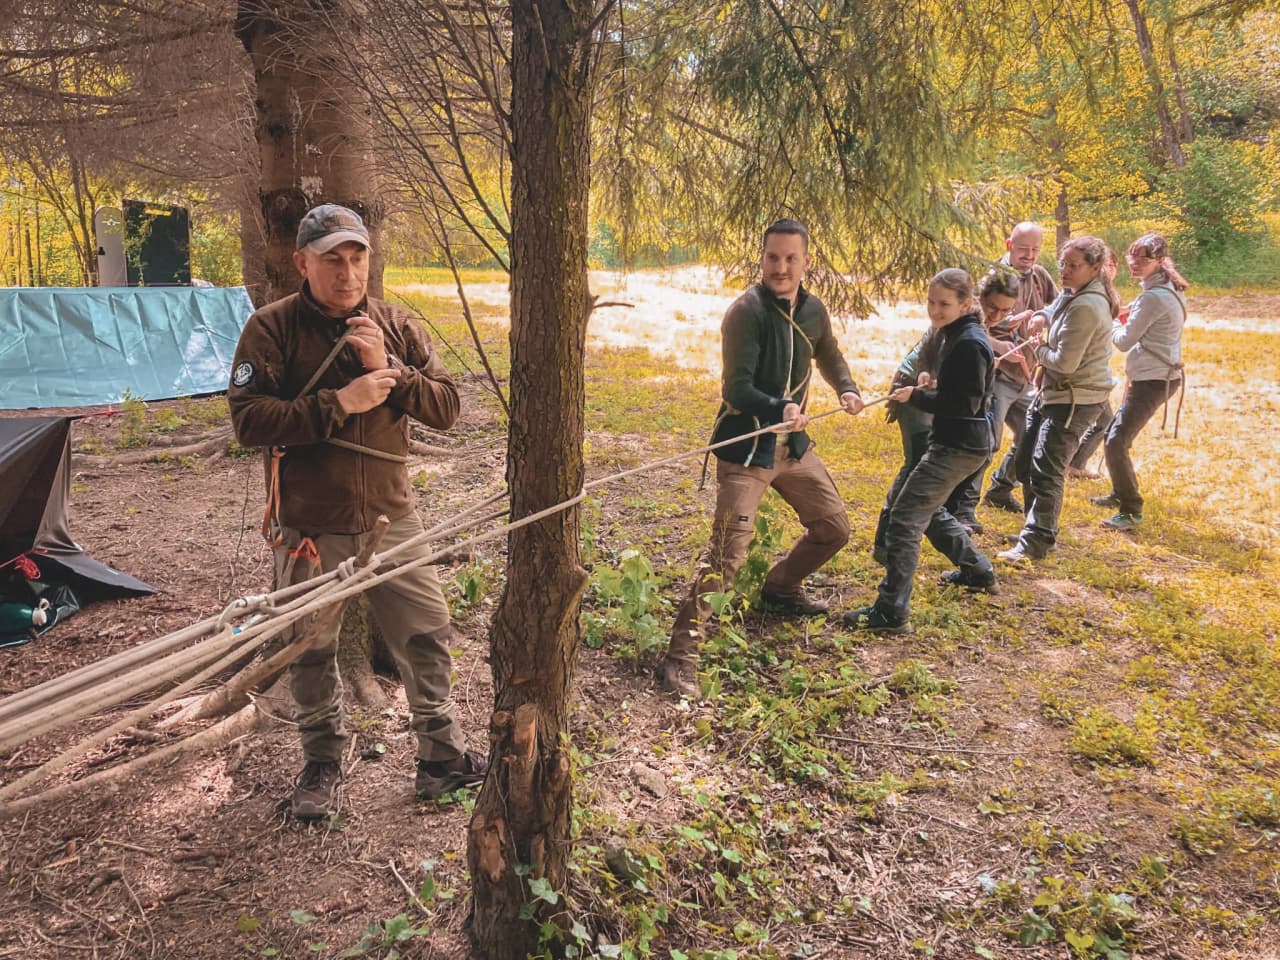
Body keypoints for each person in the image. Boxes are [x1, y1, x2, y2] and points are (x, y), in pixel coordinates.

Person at [228, 204, 485, 819]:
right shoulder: (271, 329)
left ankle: (441, 758)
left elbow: (448, 409)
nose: (347, 274)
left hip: (393, 518)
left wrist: (388, 373)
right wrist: (337, 402)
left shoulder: (395, 324)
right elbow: (247, 421)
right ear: (302, 263)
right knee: (311, 649)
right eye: (332, 260)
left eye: (357, 257)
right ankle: (321, 764)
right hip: (310, 526)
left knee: (426, 633)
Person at [659, 219, 865, 698]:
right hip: (746, 448)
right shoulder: (745, 313)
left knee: (834, 529)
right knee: (726, 557)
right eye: (773, 257)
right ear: (763, 258)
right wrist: (781, 408)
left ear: (806, 261)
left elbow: (828, 353)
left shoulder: (813, 309)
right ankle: (678, 659)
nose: (781, 266)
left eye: (791, 258)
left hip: (792, 449)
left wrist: (848, 388)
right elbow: (736, 387)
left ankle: (780, 589)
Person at [844, 269, 997, 633]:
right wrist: (932, 382)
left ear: (965, 303)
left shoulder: (970, 342)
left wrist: (919, 395)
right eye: (931, 302)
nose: (935, 310)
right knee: (922, 509)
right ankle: (977, 570)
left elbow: (966, 404)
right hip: (953, 442)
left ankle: (891, 610)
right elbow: (957, 387)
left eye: (944, 304)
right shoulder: (953, 334)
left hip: (960, 446)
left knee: (905, 516)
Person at [997, 236, 1119, 564]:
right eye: (1062, 263)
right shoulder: (1075, 292)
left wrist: (1033, 346)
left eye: (1073, 265)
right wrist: (1040, 316)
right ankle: (1034, 528)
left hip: (1075, 398)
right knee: (1025, 461)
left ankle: (1037, 540)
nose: (1064, 270)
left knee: (1046, 468)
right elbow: (1055, 305)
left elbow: (1065, 362)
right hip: (1053, 391)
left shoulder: (1088, 306)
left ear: (1095, 268)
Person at [1089, 233, 1189, 531]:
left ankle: (1131, 508)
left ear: (1159, 261)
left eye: (1143, 258)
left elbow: (1122, 342)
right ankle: (1120, 492)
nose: (1134, 263)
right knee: (1117, 436)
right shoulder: (1166, 288)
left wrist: (1105, 322)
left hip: (1153, 379)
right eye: (1132, 256)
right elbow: (1140, 315)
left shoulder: (1153, 297)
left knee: (1116, 441)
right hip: (1156, 376)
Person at [982, 222, 1060, 514]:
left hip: (1027, 375)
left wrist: (1041, 316)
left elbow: (1058, 305)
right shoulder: (993, 278)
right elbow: (974, 325)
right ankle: (963, 509)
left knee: (1031, 436)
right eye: (1023, 248)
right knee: (986, 443)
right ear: (1008, 245)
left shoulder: (1040, 276)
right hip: (997, 374)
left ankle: (1000, 489)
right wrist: (1003, 333)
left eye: (1035, 249)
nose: (1029, 255)